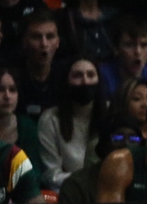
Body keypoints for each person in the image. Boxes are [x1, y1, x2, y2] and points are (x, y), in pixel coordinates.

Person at [37, 56, 104, 187]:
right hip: (68, 194)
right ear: (66, 81)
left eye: (91, 75)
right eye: (77, 76)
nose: (85, 81)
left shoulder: (110, 113)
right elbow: (51, 175)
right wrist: (88, 180)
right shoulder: (49, 119)